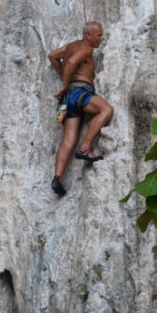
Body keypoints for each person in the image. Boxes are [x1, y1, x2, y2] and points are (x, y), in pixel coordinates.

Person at [48, 21, 114, 195]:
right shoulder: (87, 48)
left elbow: (53, 56)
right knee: (106, 110)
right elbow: (71, 63)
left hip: (66, 99)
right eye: (99, 34)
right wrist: (65, 83)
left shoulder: (71, 46)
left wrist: (64, 81)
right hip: (79, 91)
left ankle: (58, 178)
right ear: (88, 36)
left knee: (68, 139)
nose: (102, 37)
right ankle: (85, 147)